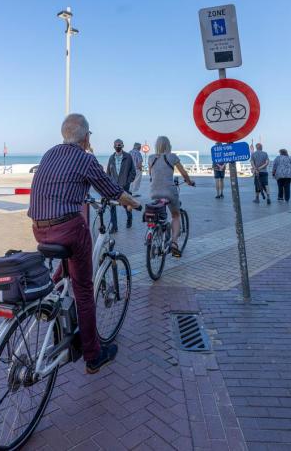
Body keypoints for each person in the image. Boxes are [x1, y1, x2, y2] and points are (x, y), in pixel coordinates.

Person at [28, 114, 140, 374]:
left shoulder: (49, 154)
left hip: (39, 229)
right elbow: (111, 190)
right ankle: (93, 355)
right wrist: (135, 203)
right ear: (86, 136)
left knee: (71, 264)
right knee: (84, 290)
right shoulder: (85, 158)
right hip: (68, 230)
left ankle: (50, 295)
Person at [148, 136, 195, 258]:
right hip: (169, 191)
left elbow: (151, 175)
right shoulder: (172, 157)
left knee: (160, 217)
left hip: (154, 192)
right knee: (175, 215)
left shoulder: (150, 158)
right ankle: (174, 243)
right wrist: (189, 182)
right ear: (168, 146)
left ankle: (157, 234)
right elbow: (184, 173)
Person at [107, 139, 136, 231]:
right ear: (113, 146)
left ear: (122, 146)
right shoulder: (111, 158)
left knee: (126, 205)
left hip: (125, 186)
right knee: (112, 206)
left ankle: (129, 218)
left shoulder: (128, 157)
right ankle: (114, 226)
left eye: (119, 145)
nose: (118, 146)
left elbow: (133, 172)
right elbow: (108, 173)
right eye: (116, 145)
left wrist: (128, 182)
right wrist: (109, 183)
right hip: (113, 187)